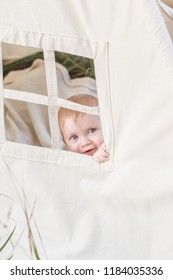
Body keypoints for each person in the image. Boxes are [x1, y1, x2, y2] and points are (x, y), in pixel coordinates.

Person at [58, 94, 110, 163]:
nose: (84, 143)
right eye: (74, 137)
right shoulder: (67, 161)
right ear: (65, 144)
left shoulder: (111, 146)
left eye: (91, 131)